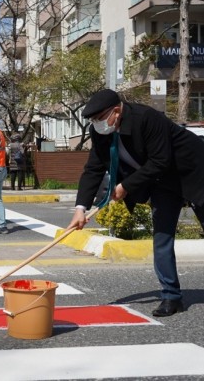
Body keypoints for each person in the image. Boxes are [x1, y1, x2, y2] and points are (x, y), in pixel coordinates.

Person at [67, 88, 204, 317]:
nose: (96, 124)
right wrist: (80, 208)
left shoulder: (147, 118)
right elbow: (93, 169)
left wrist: (125, 186)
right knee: (162, 237)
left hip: (194, 173)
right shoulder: (101, 131)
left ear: (117, 111)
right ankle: (171, 296)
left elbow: (160, 160)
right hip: (162, 183)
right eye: (93, 120)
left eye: (99, 118)